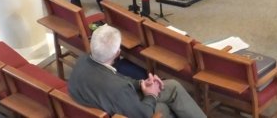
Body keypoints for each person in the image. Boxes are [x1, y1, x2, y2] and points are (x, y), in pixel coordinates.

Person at [68, 25, 206, 118]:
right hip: (122, 108)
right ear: (117, 53)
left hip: (103, 101)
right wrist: (151, 95)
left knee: (172, 86)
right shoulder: (119, 89)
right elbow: (144, 113)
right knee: (163, 108)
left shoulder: (83, 61)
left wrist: (141, 83)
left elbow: (116, 79)